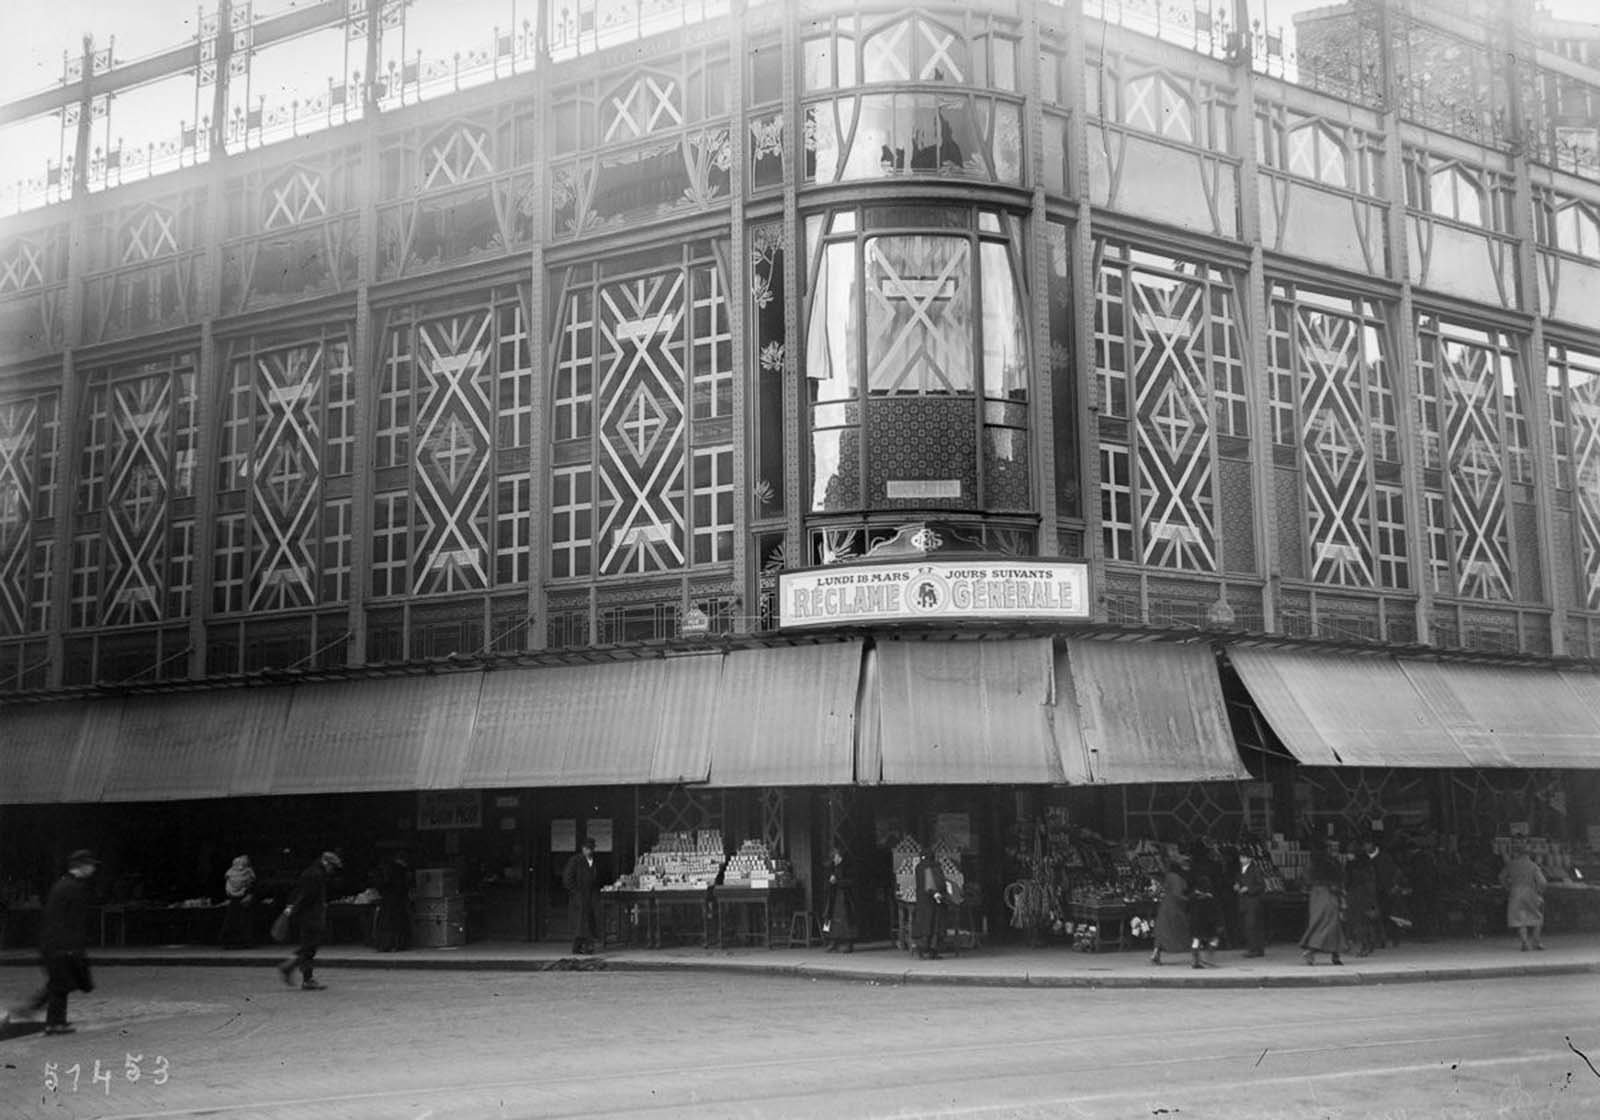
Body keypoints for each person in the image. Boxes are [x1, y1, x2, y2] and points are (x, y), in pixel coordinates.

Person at [8, 850, 99, 1035]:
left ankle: (40, 1014)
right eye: (90, 864)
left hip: (54, 943)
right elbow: (70, 920)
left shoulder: (63, 885)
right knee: (61, 984)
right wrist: (72, 947)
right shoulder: (73, 888)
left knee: (60, 983)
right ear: (81, 866)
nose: (93, 868)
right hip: (61, 944)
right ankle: (53, 1023)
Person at [275, 851, 341, 990]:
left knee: (309, 946)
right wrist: (295, 910)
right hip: (312, 916)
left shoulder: (310, 872)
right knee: (310, 947)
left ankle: (294, 969)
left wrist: (291, 908)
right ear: (326, 862)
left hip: (308, 915)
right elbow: (306, 897)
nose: (332, 871)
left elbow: (298, 893)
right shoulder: (316, 875)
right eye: (332, 867)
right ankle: (301, 974)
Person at [1299, 845, 1347, 966]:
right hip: (1329, 893)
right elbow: (1340, 879)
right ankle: (1323, 952)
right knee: (1331, 923)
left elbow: (1305, 880)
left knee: (1318, 922)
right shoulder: (1333, 864)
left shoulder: (1311, 864)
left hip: (1316, 895)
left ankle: (1315, 951)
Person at [1499, 843, 1547, 951]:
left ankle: (1525, 942)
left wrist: (1507, 887)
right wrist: (1539, 892)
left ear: (1517, 854)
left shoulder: (1511, 864)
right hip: (1531, 892)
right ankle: (1536, 941)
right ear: (1528, 855)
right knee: (1537, 917)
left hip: (1515, 892)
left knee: (1520, 918)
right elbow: (1543, 882)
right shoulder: (1533, 866)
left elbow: (1501, 877)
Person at [562, 838, 600, 955]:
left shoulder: (594, 861)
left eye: (591, 849)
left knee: (587, 922)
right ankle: (581, 947)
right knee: (580, 923)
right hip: (579, 897)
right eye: (587, 849)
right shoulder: (575, 861)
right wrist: (576, 893)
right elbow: (567, 879)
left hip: (590, 896)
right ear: (583, 849)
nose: (589, 851)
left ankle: (584, 947)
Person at [910, 844, 948, 960]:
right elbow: (932, 882)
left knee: (924, 923)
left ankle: (921, 949)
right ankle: (932, 950)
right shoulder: (934, 866)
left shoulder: (919, 867)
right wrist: (937, 893)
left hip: (922, 900)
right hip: (935, 900)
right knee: (935, 924)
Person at [1150, 857, 1190, 966]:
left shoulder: (1168, 876)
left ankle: (1156, 954)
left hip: (1165, 906)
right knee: (1175, 929)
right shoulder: (1177, 878)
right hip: (1174, 907)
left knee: (1162, 931)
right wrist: (1189, 899)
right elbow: (1177, 894)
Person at [821, 845, 858, 953]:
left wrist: (838, 881)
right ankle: (831, 941)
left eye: (834, 858)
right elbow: (827, 879)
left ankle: (848, 943)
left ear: (838, 856)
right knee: (829, 918)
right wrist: (830, 881)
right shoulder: (832, 866)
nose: (833, 861)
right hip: (833, 896)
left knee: (845, 920)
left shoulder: (848, 867)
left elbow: (851, 882)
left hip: (844, 897)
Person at [374, 853, 411, 953]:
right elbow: (404, 885)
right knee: (397, 922)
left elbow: (381, 884)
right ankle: (397, 944)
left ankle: (385, 945)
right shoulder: (402, 870)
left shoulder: (385, 869)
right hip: (398, 900)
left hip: (387, 899)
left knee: (386, 922)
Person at [1235, 850, 1267, 958]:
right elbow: (1240, 882)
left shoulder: (1255, 870)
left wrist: (1248, 889)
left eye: (1244, 858)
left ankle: (1254, 949)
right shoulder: (1240, 870)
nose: (1242, 860)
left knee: (1252, 926)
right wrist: (1237, 886)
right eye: (1241, 858)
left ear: (1249, 859)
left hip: (1253, 902)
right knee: (1247, 926)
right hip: (1244, 902)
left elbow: (1261, 885)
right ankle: (1254, 948)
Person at [219, 855, 256, 950]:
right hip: (237, 900)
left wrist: (249, 894)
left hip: (241, 899)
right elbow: (229, 886)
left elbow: (251, 886)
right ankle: (233, 942)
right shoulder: (234, 873)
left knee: (240, 921)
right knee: (235, 921)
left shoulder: (246, 873)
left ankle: (239, 942)